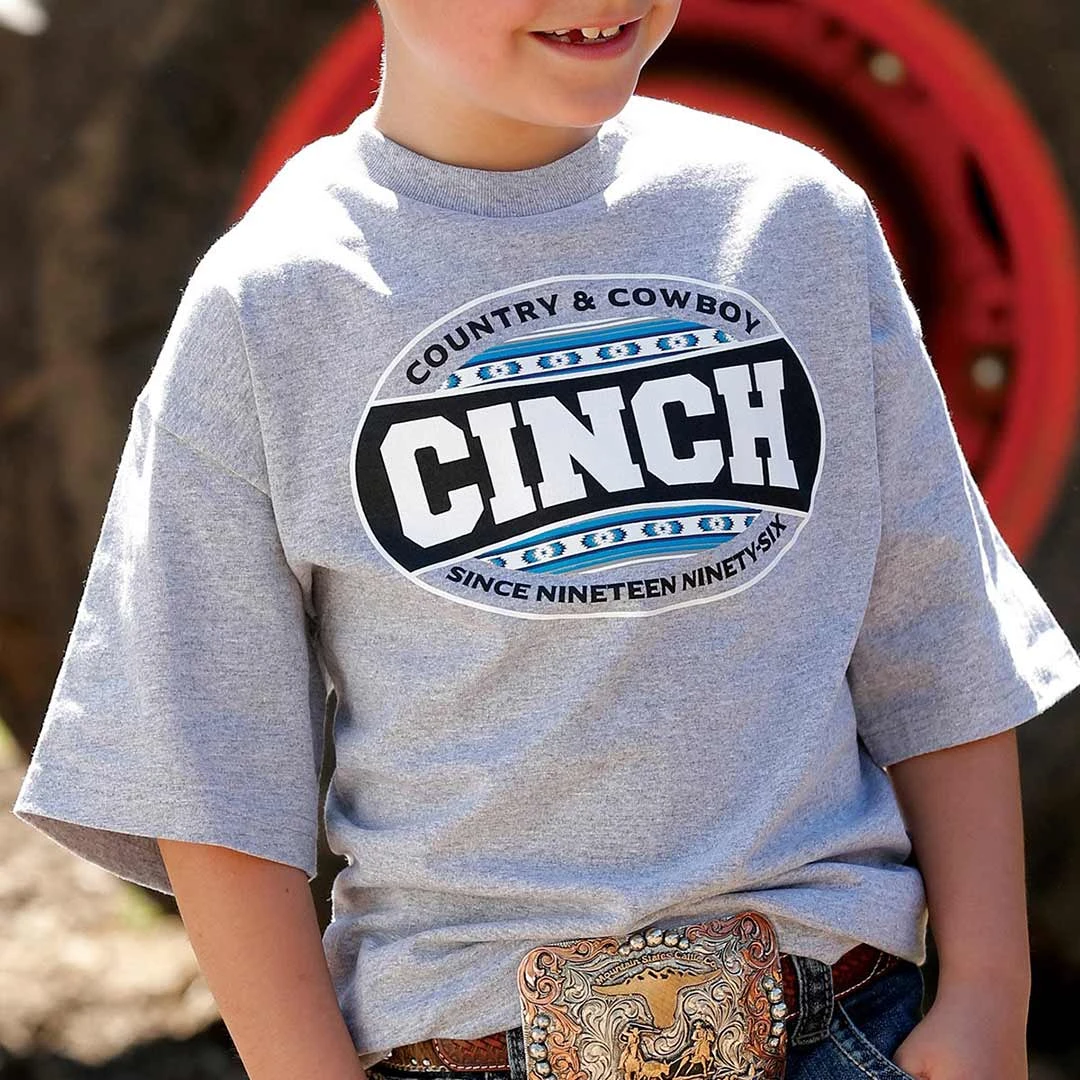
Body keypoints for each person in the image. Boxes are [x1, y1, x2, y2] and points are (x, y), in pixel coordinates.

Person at [12, 2, 1080, 1079]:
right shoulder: (269, 302)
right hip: (471, 1044)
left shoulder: (797, 222)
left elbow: (937, 630)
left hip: (843, 1026)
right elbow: (208, 762)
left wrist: (990, 989)